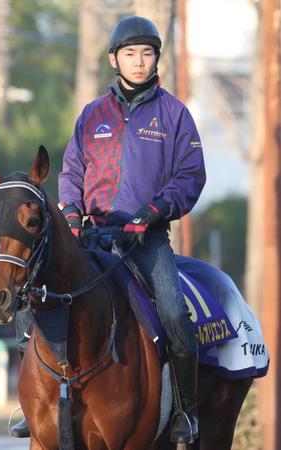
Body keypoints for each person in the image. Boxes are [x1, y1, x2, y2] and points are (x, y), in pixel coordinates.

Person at [58, 16, 206, 445]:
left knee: (176, 317)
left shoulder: (174, 114)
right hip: (93, 238)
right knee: (42, 304)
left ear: (156, 58)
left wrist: (153, 210)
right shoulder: (91, 116)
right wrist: (70, 212)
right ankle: (36, 405)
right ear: (113, 59)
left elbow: (191, 175)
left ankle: (184, 412)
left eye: (147, 54)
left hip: (147, 240)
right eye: (130, 54)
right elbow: (71, 171)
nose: (139, 62)